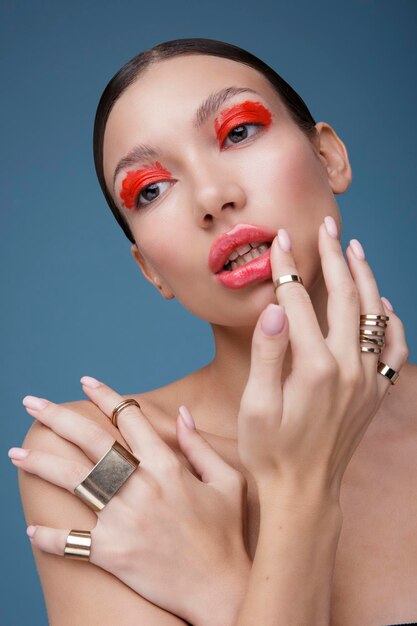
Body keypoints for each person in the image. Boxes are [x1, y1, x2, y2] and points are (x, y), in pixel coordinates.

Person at [9, 38, 415, 625]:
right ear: (151, 270)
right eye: (150, 189)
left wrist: (218, 594)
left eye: (239, 132)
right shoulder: (109, 463)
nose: (211, 197)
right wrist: (302, 486)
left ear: (328, 158)